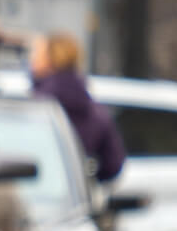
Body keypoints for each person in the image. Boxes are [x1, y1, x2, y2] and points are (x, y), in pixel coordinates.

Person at [29, 31, 126, 182]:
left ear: (49, 59)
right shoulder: (95, 111)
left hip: (34, 191)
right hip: (73, 193)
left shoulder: (36, 103)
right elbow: (113, 163)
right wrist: (87, 181)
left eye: (36, 54)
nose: (31, 59)